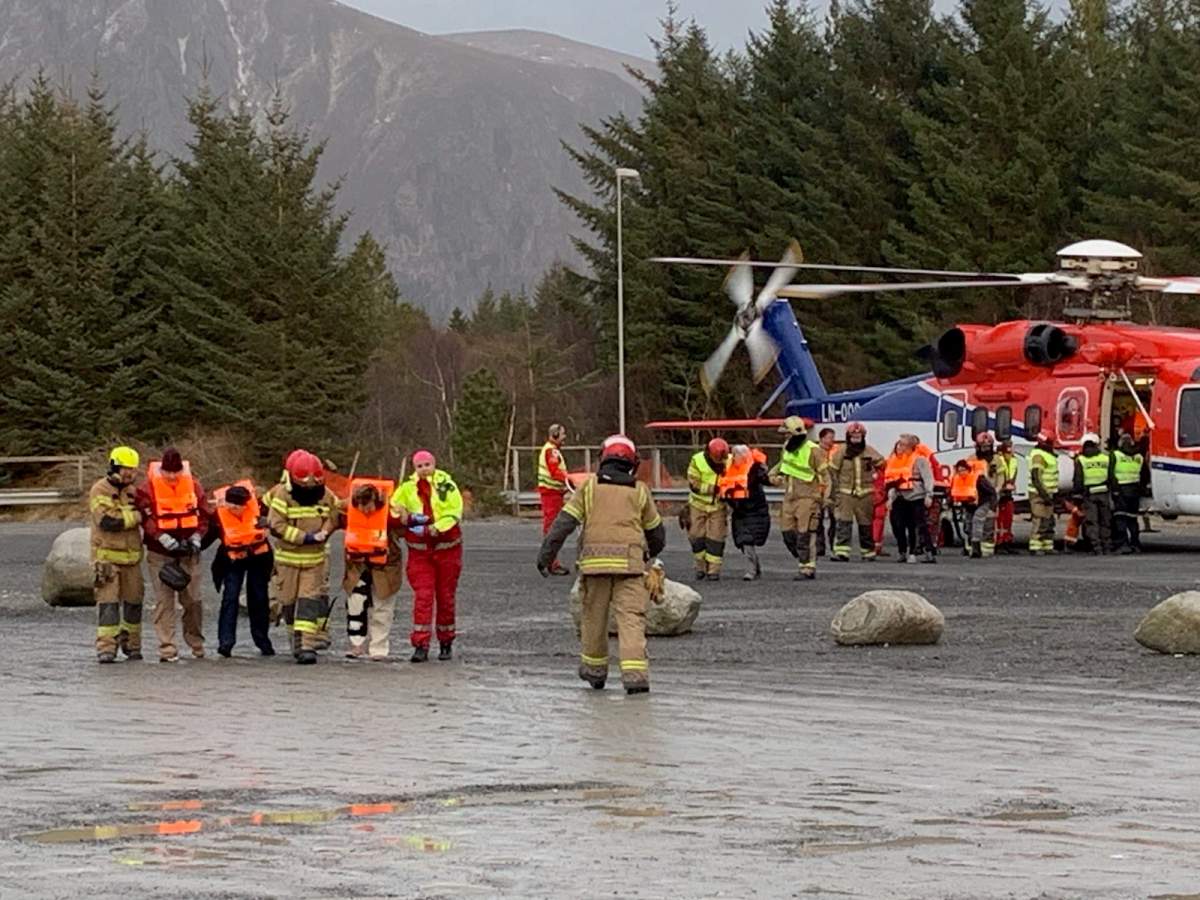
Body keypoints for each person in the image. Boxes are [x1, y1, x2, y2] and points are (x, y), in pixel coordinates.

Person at [537, 434, 665, 694]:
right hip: (630, 568)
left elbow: (563, 524)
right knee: (631, 620)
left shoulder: (589, 488)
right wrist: (648, 554)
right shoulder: (640, 491)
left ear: (602, 458)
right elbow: (656, 532)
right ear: (632, 462)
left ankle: (595, 672)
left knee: (594, 618)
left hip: (594, 567)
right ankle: (635, 676)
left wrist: (546, 557)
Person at [265, 449, 339, 664]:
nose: (310, 486)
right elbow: (276, 525)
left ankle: (307, 645)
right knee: (288, 600)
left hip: (314, 560)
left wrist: (325, 531)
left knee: (308, 600)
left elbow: (334, 514)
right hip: (288, 559)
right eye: (305, 482)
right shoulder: (282, 494)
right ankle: (295, 639)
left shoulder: (325, 494)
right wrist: (304, 538)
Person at [135, 447, 209, 662]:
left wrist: (197, 536)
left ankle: (196, 644)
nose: (172, 476)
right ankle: (167, 648)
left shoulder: (194, 486)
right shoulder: (147, 488)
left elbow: (204, 515)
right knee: (164, 602)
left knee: (193, 600)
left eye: (175, 472)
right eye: (168, 472)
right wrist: (161, 537)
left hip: (188, 551)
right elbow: (145, 516)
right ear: (161, 470)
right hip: (160, 553)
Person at [391, 450, 464, 662]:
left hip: (447, 548)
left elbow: (453, 511)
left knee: (445, 597)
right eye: (419, 466)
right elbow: (394, 506)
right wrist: (404, 514)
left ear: (434, 464)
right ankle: (421, 644)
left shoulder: (446, 485)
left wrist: (434, 529)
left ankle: (446, 641)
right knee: (423, 597)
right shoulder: (407, 488)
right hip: (420, 552)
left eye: (427, 465)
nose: (424, 469)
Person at [89, 446, 145, 663]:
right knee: (108, 606)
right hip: (107, 560)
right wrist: (137, 516)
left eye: (132, 470)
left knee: (134, 604)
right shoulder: (100, 490)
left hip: (132, 559)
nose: (129, 474)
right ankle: (106, 648)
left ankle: (132, 645)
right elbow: (108, 521)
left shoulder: (132, 491)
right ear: (114, 467)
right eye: (125, 470)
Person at [210, 481, 274, 657]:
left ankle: (263, 641)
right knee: (230, 598)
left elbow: (277, 524)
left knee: (259, 598)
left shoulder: (260, 510)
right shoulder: (219, 515)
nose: (234, 509)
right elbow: (207, 536)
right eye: (231, 505)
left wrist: (268, 524)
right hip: (232, 561)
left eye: (238, 506)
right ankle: (226, 642)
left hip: (258, 559)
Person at [342, 479, 403, 659]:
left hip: (386, 565)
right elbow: (331, 518)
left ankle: (379, 648)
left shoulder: (392, 512)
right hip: (357, 565)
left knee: (383, 607)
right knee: (355, 604)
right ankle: (356, 644)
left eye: (368, 506)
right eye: (361, 506)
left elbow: (406, 527)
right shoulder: (346, 508)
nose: (365, 510)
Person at [770, 416, 828, 580]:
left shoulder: (813, 450)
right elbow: (782, 464)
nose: (785, 437)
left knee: (806, 533)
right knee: (787, 532)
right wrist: (773, 476)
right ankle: (803, 557)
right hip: (790, 496)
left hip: (808, 497)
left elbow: (825, 475)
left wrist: (824, 497)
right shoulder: (786, 447)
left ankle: (807, 568)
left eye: (787, 434)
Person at [827, 422, 883, 561]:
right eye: (853, 436)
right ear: (848, 437)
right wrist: (834, 491)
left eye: (859, 436)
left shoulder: (869, 451)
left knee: (866, 524)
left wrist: (874, 470)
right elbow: (832, 470)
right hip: (846, 493)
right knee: (844, 523)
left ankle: (868, 552)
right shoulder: (841, 451)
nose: (856, 439)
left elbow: (882, 464)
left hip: (865, 494)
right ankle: (842, 552)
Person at [719, 444, 770, 580]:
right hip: (739, 511)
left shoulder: (754, 469)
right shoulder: (728, 469)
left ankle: (752, 571)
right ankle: (755, 569)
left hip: (754, 510)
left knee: (747, 541)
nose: (734, 457)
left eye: (736, 455)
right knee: (743, 541)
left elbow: (765, 479)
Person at [884, 434, 936, 563]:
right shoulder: (894, 461)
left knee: (917, 525)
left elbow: (928, 478)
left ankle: (920, 552)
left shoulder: (920, 460)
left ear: (909, 446)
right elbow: (892, 482)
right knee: (898, 525)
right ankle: (902, 551)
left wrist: (929, 495)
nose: (899, 446)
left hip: (916, 496)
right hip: (900, 496)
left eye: (902, 444)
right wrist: (890, 498)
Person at [687, 437, 730, 581]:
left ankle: (713, 571)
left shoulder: (729, 460)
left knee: (716, 538)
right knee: (696, 536)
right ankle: (700, 567)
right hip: (698, 505)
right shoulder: (697, 460)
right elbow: (694, 484)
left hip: (718, 506)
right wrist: (715, 489)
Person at [537, 424, 572, 575]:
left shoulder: (551, 450)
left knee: (553, 527)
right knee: (552, 529)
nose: (564, 437)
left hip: (554, 494)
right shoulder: (551, 451)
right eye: (563, 434)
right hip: (551, 494)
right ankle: (551, 563)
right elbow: (555, 472)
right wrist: (569, 479)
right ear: (556, 434)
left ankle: (550, 561)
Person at [1073, 431, 1113, 554]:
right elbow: (1111, 476)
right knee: (1105, 521)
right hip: (1104, 492)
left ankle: (1096, 548)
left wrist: (1076, 495)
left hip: (1089, 495)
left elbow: (1078, 480)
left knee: (1092, 522)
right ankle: (1107, 546)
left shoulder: (1081, 460)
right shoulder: (1105, 458)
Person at [1027, 431, 1060, 556]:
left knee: (1048, 520)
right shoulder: (1039, 456)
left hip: (1048, 492)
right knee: (1040, 519)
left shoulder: (1046, 454)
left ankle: (1047, 545)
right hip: (1039, 493)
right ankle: (1035, 546)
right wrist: (1044, 494)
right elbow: (1036, 476)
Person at [1112, 432, 1144, 553]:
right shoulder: (1138, 457)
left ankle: (1122, 544)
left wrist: (1114, 490)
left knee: (1120, 518)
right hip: (1134, 491)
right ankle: (1135, 544)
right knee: (1132, 519)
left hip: (1121, 491)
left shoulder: (1116, 455)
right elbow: (1144, 474)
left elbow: (1111, 473)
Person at [969, 432, 999, 558]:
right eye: (983, 447)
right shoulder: (971, 459)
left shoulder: (997, 460)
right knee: (970, 522)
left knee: (989, 522)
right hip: (974, 495)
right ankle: (971, 547)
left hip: (990, 495)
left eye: (988, 446)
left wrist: (997, 491)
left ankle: (987, 548)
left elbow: (1001, 476)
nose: (986, 449)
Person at [815, 427, 838, 557]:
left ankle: (833, 545)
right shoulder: (815, 452)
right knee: (817, 520)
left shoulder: (836, 451)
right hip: (819, 489)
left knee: (835, 520)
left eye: (833, 437)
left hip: (834, 490)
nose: (832, 441)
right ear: (822, 438)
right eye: (830, 438)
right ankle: (820, 547)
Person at [994, 440, 1019, 554]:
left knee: (1008, 520)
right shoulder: (998, 460)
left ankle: (1006, 541)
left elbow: (1012, 474)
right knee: (999, 521)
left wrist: (1011, 484)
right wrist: (1003, 487)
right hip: (1000, 493)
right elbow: (997, 476)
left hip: (1008, 494)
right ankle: (999, 543)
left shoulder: (1013, 460)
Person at [948, 458, 978, 552]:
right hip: (964, 505)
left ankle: (973, 546)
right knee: (967, 526)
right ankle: (967, 546)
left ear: (968, 469)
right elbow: (952, 491)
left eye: (963, 470)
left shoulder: (974, 478)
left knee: (973, 525)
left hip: (975, 505)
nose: (961, 472)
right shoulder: (956, 479)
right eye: (959, 470)